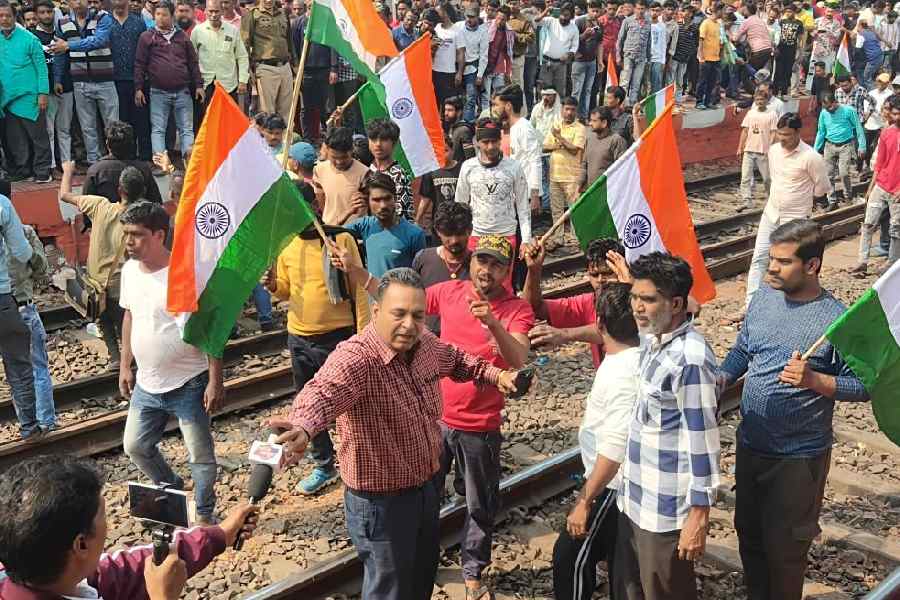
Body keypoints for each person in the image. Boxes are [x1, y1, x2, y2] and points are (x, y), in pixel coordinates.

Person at [271, 268, 519, 600]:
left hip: (426, 489)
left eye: (418, 315)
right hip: (380, 505)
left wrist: (495, 375)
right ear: (376, 312)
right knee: (390, 590)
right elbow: (322, 393)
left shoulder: (425, 343)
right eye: (398, 314)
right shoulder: (356, 358)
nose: (409, 324)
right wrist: (302, 426)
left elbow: (458, 361)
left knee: (420, 578)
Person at [720, 219, 869, 600]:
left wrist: (815, 381)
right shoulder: (764, 298)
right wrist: (722, 377)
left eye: (783, 262)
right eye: (772, 259)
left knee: (785, 551)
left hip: (797, 458)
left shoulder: (837, 319)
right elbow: (743, 349)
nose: (771, 268)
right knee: (750, 538)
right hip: (751, 445)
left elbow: (864, 385)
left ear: (812, 265)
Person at [426, 235, 534, 600]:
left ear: (506, 271)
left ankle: (472, 572)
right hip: (438, 420)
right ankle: (424, 558)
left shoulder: (517, 309)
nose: (487, 270)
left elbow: (520, 361)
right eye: (481, 262)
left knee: (479, 505)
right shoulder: (448, 291)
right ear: (470, 263)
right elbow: (398, 299)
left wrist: (494, 325)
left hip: (480, 427)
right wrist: (359, 273)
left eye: (496, 265)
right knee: (426, 495)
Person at [0, 456, 259, 600]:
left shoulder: (49, 574)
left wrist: (219, 535)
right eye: (103, 514)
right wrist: (163, 597)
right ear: (80, 544)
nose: (108, 523)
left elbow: (119, 572)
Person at [614, 251, 721, 600]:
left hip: (664, 512)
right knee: (634, 590)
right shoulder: (656, 340)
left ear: (676, 304)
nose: (636, 307)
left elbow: (703, 440)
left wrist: (699, 514)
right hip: (635, 499)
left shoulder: (689, 360)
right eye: (634, 297)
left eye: (647, 299)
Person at [118, 201, 224, 525]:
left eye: (136, 235)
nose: (129, 242)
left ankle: (205, 514)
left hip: (189, 382)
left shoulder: (183, 274)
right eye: (126, 235)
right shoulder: (129, 271)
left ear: (159, 235)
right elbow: (129, 315)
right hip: (147, 383)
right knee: (135, 445)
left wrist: (215, 378)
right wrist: (125, 364)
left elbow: (211, 326)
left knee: (200, 457)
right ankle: (170, 488)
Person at [261, 183, 369, 495]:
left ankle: (359, 457)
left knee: (350, 406)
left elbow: (360, 290)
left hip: (337, 338)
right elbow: (285, 289)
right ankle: (324, 464)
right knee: (306, 406)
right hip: (299, 336)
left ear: (316, 207)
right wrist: (272, 285)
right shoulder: (285, 244)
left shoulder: (339, 239)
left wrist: (362, 339)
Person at [551, 282, 640, 600]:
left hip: (610, 486)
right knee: (621, 564)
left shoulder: (620, 374)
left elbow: (615, 446)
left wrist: (585, 501)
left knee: (570, 556)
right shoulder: (637, 356)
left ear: (600, 323)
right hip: (617, 483)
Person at [61, 160, 142, 367]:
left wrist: (68, 171)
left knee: (104, 320)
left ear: (119, 190)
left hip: (96, 285)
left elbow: (64, 195)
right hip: (122, 285)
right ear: (141, 192)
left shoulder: (99, 205)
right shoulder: (139, 218)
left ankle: (116, 357)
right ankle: (130, 361)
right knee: (128, 324)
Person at [745, 112, 829, 306]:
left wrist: (801, 199)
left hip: (796, 219)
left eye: (787, 135)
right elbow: (774, 178)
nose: (783, 139)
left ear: (798, 132)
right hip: (772, 213)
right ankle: (751, 304)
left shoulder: (811, 157)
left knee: (791, 264)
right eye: (780, 134)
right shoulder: (774, 151)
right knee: (759, 257)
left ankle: (786, 303)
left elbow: (822, 187)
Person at [522, 237, 624, 367]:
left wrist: (565, 334)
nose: (600, 280)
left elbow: (612, 330)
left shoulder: (636, 300)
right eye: (594, 274)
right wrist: (534, 270)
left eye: (607, 273)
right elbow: (532, 307)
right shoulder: (588, 302)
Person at [455, 117, 532, 268]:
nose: (490, 147)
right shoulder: (468, 167)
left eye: (494, 141)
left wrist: (526, 240)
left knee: (503, 286)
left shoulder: (514, 167)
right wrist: (461, 238)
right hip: (476, 236)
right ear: (477, 142)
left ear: (500, 140)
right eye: (485, 142)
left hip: (506, 235)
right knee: (477, 284)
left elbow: (523, 208)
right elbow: (460, 206)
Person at [52, 0, 120, 164]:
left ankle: (116, 159)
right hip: (80, 81)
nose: (77, 2)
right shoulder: (63, 22)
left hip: (105, 80)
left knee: (113, 125)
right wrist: (57, 79)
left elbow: (99, 41)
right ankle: (93, 162)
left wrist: (68, 45)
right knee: (87, 126)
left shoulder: (103, 17)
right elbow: (59, 53)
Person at [134, 1, 203, 160]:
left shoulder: (182, 37)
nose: (160, 18)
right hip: (158, 91)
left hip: (182, 91)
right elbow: (139, 64)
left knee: (186, 129)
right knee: (158, 129)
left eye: (164, 15)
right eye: (157, 14)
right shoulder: (147, 37)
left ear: (172, 16)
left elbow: (193, 62)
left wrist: (198, 85)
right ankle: (160, 163)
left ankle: (189, 163)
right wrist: (138, 88)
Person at [8, 222, 56, 432]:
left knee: (14, 372)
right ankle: (45, 422)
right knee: (38, 368)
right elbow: (42, 270)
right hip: (22, 308)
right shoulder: (24, 232)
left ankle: (26, 424)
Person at [0, 0, 52, 183]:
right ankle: (24, 170)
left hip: (31, 97)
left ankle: (43, 172)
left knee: (38, 137)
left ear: (16, 17)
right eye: (1, 16)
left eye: (8, 15)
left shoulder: (30, 39)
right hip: (7, 99)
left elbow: (42, 69)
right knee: (16, 140)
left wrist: (43, 94)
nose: (4, 19)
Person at [0, 194, 39, 440]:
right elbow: (22, 253)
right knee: (19, 370)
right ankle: (29, 429)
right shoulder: (2, 204)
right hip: (3, 300)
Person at [346, 172, 427, 279]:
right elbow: (329, 235)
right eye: (376, 200)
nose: (383, 205)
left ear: (396, 199)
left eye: (387, 198)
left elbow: (423, 276)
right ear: (367, 202)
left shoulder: (414, 234)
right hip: (373, 295)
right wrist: (348, 212)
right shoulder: (365, 226)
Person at [854, 95, 900, 275]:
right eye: (894, 113)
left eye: (898, 114)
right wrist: (870, 187)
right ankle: (862, 261)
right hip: (882, 185)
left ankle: (892, 262)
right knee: (868, 224)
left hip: (897, 190)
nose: (895, 117)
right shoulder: (887, 133)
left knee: (896, 228)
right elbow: (880, 164)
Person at [412, 202, 473, 335]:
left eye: (460, 233)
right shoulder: (423, 259)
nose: (454, 240)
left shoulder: (480, 265)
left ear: (470, 230)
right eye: (448, 234)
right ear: (438, 231)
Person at [32, 0, 74, 175]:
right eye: (42, 12)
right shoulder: (32, 37)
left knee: (65, 130)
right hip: (45, 90)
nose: (46, 16)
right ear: (36, 15)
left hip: (66, 86)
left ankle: (66, 166)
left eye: (49, 12)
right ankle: (50, 166)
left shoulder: (63, 34)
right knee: (48, 131)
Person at [108, 0, 150, 162]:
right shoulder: (106, 22)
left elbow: (144, 54)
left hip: (137, 80)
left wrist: (140, 82)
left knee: (141, 120)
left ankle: (145, 157)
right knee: (121, 121)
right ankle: (125, 156)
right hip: (114, 80)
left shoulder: (138, 23)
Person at [83, 120, 163, 204]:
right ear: (131, 144)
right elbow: (156, 203)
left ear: (107, 144)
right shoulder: (143, 169)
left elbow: (87, 206)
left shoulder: (95, 171)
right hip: (137, 216)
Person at [543, 97, 586, 250]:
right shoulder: (556, 125)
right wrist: (560, 144)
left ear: (576, 111)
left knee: (575, 210)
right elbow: (545, 146)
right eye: (566, 109)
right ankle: (558, 238)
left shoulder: (580, 128)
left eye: (572, 110)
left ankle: (575, 240)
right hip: (555, 175)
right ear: (561, 109)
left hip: (572, 177)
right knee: (556, 210)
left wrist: (559, 138)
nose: (568, 112)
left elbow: (574, 149)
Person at [241, 0, 294, 125]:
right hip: (265, 67)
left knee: (287, 111)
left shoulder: (283, 13)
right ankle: (268, 143)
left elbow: (289, 41)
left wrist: (295, 66)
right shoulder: (252, 15)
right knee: (267, 112)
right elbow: (244, 45)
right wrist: (248, 70)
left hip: (285, 66)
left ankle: (285, 142)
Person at [191, 0, 249, 113]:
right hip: (206, 84)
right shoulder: (197, 31)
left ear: (222, 11)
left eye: (216, 11)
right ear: (205, 11)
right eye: (210, 11)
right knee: (207, 122)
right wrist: (196, 83)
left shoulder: (233, 31)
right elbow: (192, 59)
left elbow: (242, 56)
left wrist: (243, 81)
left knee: (228, 122)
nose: (213, 15)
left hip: (228, 85)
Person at [495, 84, 543, 215]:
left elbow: (535, 161)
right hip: (511, 194)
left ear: (508, 106)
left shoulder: (524, 128)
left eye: (497, 105)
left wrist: (534, 195)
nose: (496, 109)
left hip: (525, 196)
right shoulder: (511, 128)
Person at [814, 91, 866, 210]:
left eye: (830, 106)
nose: (829, 110)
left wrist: (862, 146)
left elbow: (858, 128)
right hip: (829, 145)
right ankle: (832, 200)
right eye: (826, 108)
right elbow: (821, 132)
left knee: (844, 173)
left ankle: (848, 196)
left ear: (835, 101)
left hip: (846, 145)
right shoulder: (824, 113)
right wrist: (815, 149)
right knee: (828, 174)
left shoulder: (849, 111)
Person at [313, 126, 370, 225]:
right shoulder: (319, 170)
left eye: (344, 157)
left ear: (352, 150)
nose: (339, 162)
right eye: (334, 157)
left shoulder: (365, 174)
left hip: (355, 233)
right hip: (330, 230)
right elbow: (321, 200)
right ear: (327, 150)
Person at [738, 88, 779, 212]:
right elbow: (745, 131)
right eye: (757, 100)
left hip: (763, 151)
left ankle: (772, 199)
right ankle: (746, 200)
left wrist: (769, 147)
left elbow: (773, 132)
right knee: (745, 177)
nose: (759, 102)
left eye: (762, 99)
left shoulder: (772, 114)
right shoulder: (750, 113)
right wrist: (740, 147)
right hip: (749, 149)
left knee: (767, 178)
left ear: (767, 101)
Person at [366, 119, 414, 221]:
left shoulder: (399, 175)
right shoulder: (367, 170)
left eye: (384, 140)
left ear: (394, 143)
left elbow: (403, 216)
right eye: (374, 139)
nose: (378, 144)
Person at [416, 134, 462, 238]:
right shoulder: (431, 171)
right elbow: (425, 199)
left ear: (452, 151)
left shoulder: (463, 169)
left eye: (445, 150)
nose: (442, 155)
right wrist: (418, 220)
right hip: (439, 223)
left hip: (460, 222)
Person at [581, 105, 628, 193]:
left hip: (608, 192)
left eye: (594, 121)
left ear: (604, 123)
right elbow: (584, 165)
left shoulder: (617, 140)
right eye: (590, 120)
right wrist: (578, 187)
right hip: (590, 191)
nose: (590, 124)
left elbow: (622, 169)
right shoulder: (590, 139)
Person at [535, 2, 579, 95]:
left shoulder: (574, 28)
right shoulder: (552, 20)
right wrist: (546, 11)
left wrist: (569, 54)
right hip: (547, 62)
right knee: (545, 91)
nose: (563, 17)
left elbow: (575, 46)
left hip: (561, 64)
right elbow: (537, 21)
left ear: (571, 16)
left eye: (566, 15)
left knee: (559, 92)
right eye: (562, 14)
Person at [616, 0, 651, 105]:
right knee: (625, 82)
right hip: (628, 56)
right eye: (638, 8)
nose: (640, 11)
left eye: (642, 9)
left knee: (636, 83)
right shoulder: (628, 21)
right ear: (635, 9)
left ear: (645, 9)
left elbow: (649, 41)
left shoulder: (648, 22)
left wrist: (648, 58)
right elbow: (620, 39)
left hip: (641, 57)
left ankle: (631, 105)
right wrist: (618, 56)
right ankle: (621, 105)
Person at [429, 3, 464, 109]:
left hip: (449, 72)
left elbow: (461, 53)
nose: (436, 14)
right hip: (434, 70)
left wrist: (459, 73)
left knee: (447, 102)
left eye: (438, 12)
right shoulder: (436, 28)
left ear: (445, 13)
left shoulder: (457, 31)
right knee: (435, 101)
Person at [573, 1, 603, 118]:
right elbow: (573, 40)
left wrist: (599, 61)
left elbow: (600, 43)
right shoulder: (579, 21)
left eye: (597, 11)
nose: (595, 14)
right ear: (588, 9)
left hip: (592, 61)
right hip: (579, 61)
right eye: (593, 11)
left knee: (588, 90)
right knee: (577, 91)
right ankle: (573, 117)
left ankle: (584, 116)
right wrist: (584, 35)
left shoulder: (599, 24)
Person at [862, 72, 894, 168]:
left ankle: (875, 167)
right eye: (879, 81)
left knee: (877, 147)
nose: (880, 84)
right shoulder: (871, 93)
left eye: (883, 82)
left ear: (887, 83)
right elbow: (866, 107)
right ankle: (867, 165)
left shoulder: (890, 95)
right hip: (870, 124)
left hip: (882, 125)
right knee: (866, 146)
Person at [696, 2, 723, 110]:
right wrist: (700, 55)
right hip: (706, 58)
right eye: (722, 10)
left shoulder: (718, 24)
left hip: (715, 58)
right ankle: (699, 102)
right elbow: (701, 40)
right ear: (717, 11)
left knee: (712, 82)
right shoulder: (706, 23)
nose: (723, 13)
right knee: (702, 81)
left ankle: (707, 102)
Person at [773, 3, 804, 97]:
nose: (788, 13)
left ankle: (784, 92)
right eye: (786, 11)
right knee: (778, 71)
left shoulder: (799, 23)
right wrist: (775, 48)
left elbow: (800, 39)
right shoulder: (782, 22)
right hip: (780, 49)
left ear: (794, 12)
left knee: (787, 72)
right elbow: (776, 35)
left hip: (791, 50)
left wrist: (800, 53)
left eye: (790, 11)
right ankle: (774, 92)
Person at [733, 1, 774, 70]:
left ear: (747, 10)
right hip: (768, 49)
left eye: (744, 9)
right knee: (757, 72)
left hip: (759, 50)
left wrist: (728, 33)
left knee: (747, 72)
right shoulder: (760, 20)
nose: (742, 11)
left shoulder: (747, 21)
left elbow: (735, 39)